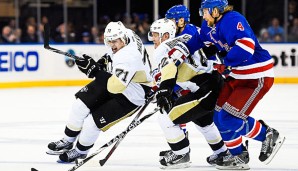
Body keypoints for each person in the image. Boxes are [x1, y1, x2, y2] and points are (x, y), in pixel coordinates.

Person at [47, 21, 152, 163]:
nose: (111, 45)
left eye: (114, 42)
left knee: (92, 122)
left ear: (123, 39)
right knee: (79, 106)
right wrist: (101, 63)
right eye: (109, 41)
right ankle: (67, 140)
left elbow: (116, 87)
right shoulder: (124, 35)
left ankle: (80, 151)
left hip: (134, 92)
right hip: (118, 79)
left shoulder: (128, 55)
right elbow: (111, 56)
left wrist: (95, 71)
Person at [198, 0, 285, 169]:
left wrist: (226, 63)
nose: (203, 14)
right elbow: (201, 42)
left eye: (205, 11)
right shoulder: (208, 24)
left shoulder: (232, 19)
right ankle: (238, 156)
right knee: (217, 116)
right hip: (236, 77)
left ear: (216, 11)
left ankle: (267, 135)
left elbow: (246, 47)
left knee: (228, 118)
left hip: (256, 76)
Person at [148, 18, 225, 169]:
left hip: (204, 90)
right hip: (211, 85)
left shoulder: (164, 48)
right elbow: (180, 74)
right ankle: (222, 153)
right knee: (204, 123)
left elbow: (170, 72)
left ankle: (181, 154)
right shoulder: (183, 40)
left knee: (166, 118)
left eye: (156, 34)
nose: (153, 38)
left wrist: (161, 89)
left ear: (165, 36)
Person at [164, 4, 228, 165]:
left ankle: (181, 149)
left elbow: (196, 64)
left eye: (171, 20)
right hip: (201, 82)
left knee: (217, 119)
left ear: (181, 21)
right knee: (203, 121)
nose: (169, 23)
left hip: (207, 82)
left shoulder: (190, 34)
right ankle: (217, 150)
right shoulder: (182, 32)